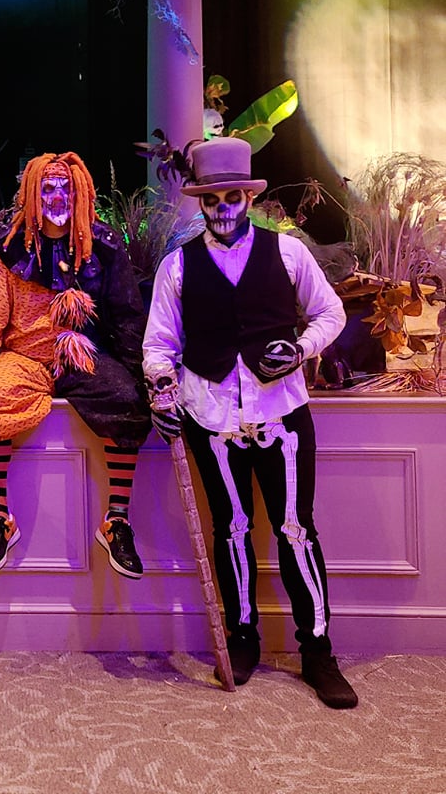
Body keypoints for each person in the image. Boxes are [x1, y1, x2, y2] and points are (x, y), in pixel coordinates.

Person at [142, 136, 358, 709]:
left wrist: (302, 347)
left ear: (248, 196)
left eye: (233, 197)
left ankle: (318, 651)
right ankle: (243, 638)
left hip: (281, 414)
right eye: (212, 201)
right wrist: (161, 388)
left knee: (295, 529)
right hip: (209, 416)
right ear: (201, 204)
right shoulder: (177, 266)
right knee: (231, 530)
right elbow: (159, 343)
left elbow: (330, 312)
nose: (224, 210)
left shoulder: (287, 253)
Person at [0, 151, 151, 580]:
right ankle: (1, 519)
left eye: (66, 189)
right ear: (32, 195)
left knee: (127, 401)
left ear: (81, 195)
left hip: (83, 354)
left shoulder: (105, 245)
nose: (57, 196)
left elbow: (128, 313)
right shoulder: (8, 249)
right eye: (48, 188)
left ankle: (116, 520)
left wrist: (141, 374)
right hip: (24, 356)